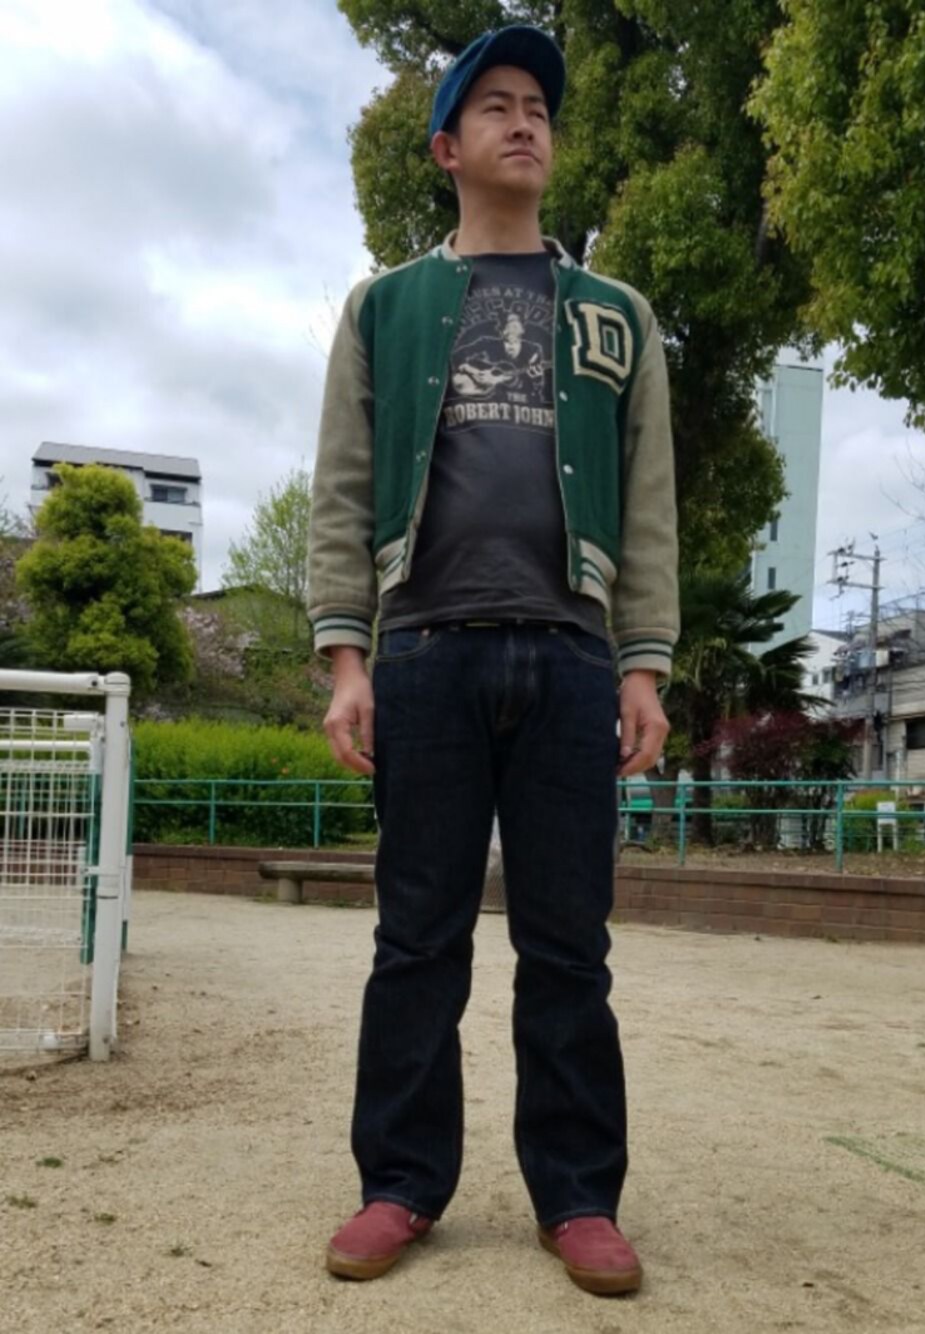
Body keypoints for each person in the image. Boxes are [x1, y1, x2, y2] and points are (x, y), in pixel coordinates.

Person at [307, 24, 679, 1297]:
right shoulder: (385, 307)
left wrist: (642, 664)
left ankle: (577, 1195)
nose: (526, 122)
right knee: (417, 938)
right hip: (423, 650)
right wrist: (345, 657)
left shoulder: (615, 316)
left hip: (571, 657)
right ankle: (400, 1181)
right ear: (446, 148)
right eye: (497, 106)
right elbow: (342, 489)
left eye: (540, 108)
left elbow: (646, 505)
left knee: (569, 942)